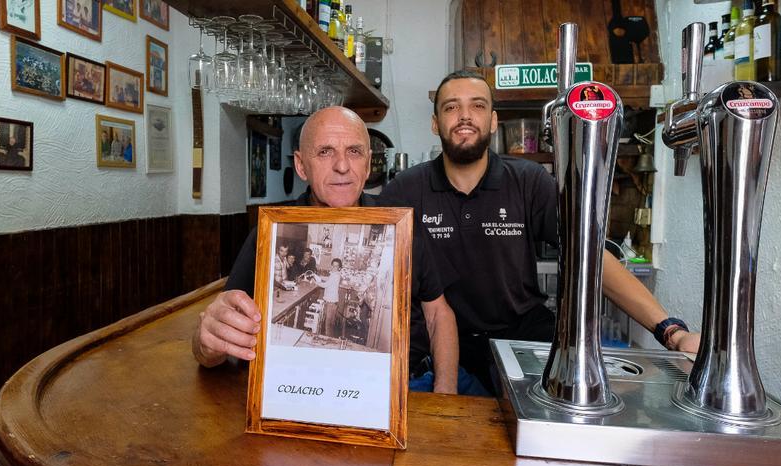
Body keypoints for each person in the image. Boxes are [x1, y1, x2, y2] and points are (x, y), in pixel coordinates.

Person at [381, 70, 701, 393]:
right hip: (439, 346)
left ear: (493, 121)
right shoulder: (405, 190)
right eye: (451, 107)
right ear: (435, 123)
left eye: (477, 106)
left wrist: (670, 330)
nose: (464, 116)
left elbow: (588, 256)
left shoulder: (527, 182)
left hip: (521, 337)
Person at [193, 106, 482, 395]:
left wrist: (444, 393)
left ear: (368, 165)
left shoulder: (401, 226)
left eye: (354, 152)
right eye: (325, 152)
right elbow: (214, 344)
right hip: (303, 389)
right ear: (302, 165)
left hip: (409, 385)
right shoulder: (269, 232)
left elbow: (438, 315)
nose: (342, 166)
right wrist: (207, 343)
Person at [312, 258, 343, 337]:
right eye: (333, 265)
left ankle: (328, 340)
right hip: (331, 302)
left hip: (331, 303)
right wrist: (319, 276)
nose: (334, 267)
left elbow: (325, 285)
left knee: (328, 325)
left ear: (339, 268)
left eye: (336, 266)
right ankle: (328, 338)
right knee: (329, 324)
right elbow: (328, 279)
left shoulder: (335, 275)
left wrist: (316, 282)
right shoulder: (334, 274)